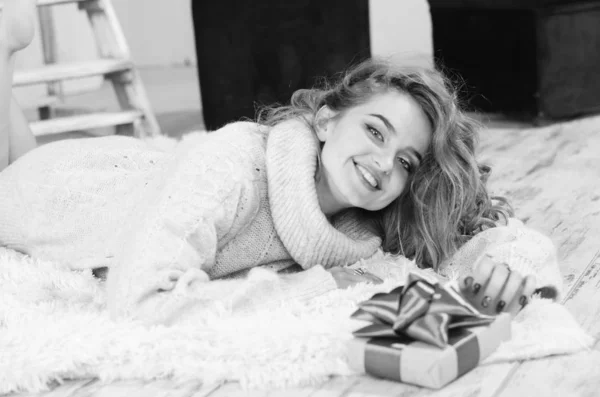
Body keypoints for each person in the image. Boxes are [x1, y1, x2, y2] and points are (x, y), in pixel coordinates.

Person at [0, 0, 562, 326]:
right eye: (373, 130)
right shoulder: (238, 163)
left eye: (408, 161)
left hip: (145, 170)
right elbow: (139, 303)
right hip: (60, 192)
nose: (383, 163)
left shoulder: (362, 222)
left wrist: (515, 264)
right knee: (15, 173)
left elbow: (487, 224)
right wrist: (310, 288)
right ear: (323, 121)